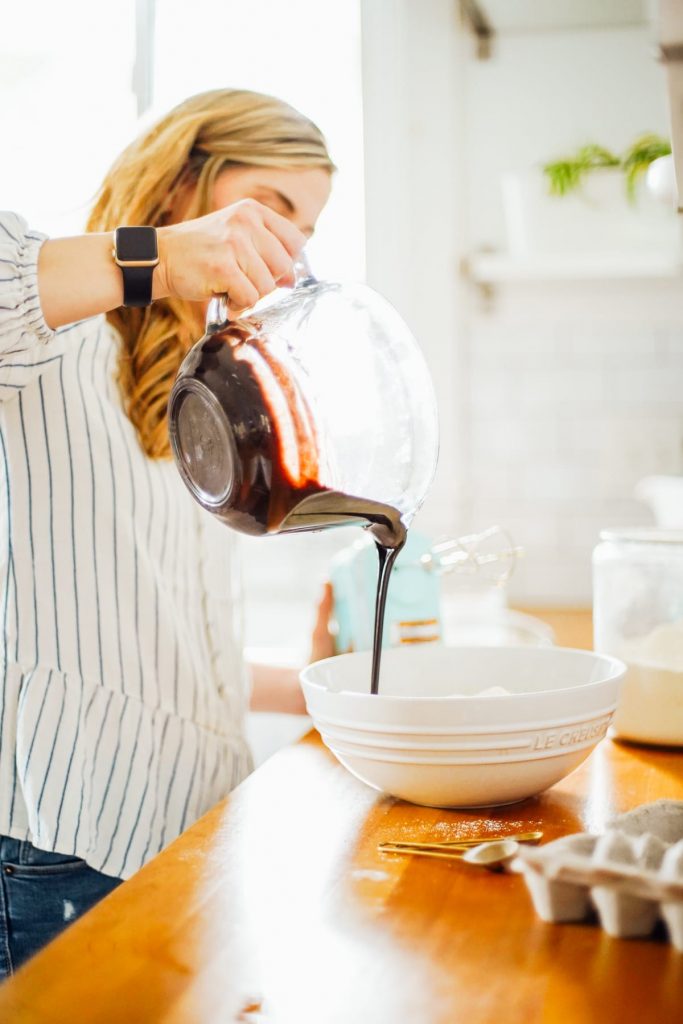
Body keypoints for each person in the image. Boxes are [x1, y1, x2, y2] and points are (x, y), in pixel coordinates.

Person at [0, 88, 334, 977]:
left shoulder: (203, 391)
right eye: (274, 206)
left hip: (182, 827)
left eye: (308, 230)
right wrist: (160, 256)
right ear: (185, 180)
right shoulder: (54, 336)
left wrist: (320, 688)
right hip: (55, 846)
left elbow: (159, 655)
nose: (290, 247)